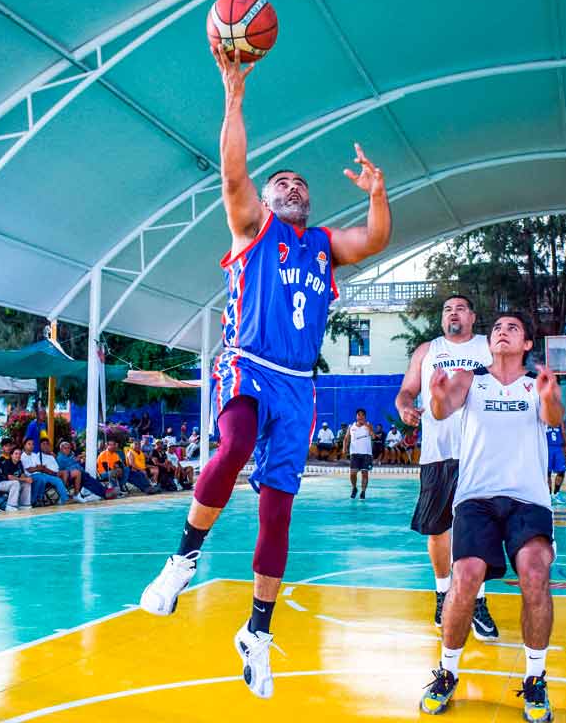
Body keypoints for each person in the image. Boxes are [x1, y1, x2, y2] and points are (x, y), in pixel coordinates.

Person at [138, 41, 392, 701]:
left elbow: (375, 240)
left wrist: (378, 194)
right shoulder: (253, 227)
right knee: (235, 444)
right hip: (249, 364)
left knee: (278, 510)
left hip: (299, 384)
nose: (292, 187)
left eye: (300, 184)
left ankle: (256, 631)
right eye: (282, 183)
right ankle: (182, 559)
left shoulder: (325, 247)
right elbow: (232, 173)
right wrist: (233, 94)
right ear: (268, 199)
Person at [419, 313, 562, 719]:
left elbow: (552, 417)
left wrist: (549, 395)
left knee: (535, 572)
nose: (502, 332)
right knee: (464, 577)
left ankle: (535, 680)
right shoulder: (469, 378)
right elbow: (443, 409)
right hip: (476, 498)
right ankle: (446, 673)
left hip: (528, 498)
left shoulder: (536, 385)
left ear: (527, 345)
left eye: (513, 328)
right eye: (497, 328)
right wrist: (435, 396)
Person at [395, 294, 496, 635]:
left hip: (480, 453)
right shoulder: (427, 351)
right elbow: (406, 391)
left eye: (460, 309)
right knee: (439, 529)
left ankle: (477, 601)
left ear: (472, 316)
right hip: (438, 453)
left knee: (479, 528)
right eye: (447, 309)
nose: (453, 313)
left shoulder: (489, 347)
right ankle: (443, 595)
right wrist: (405, 407)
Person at [20, 438, 70, 505]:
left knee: (57, 480)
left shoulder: (34, 455)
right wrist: (38, 468)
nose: (31, 446)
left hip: (40, 474)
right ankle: (35, 500)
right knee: (41, 479)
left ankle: (65, 499)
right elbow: (30, 470)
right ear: (24, 445)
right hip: (30, 476)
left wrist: (37, 468)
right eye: (29, 444)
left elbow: (39, 467)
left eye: (32, 444)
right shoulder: (23, 456)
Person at [0, 442, 32, 512]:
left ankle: (24, 505)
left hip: (10, 484)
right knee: (15, 483)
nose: (18, 456)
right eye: (16, 454)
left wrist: (27, 479)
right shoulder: (7, 463)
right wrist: (24, 479)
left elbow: (22, 474)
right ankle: (10, 506)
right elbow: (10, 477)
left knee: (26, 483)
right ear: (11, 455)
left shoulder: (19, 463)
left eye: (20, 454)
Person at [345, 409, 374, 499]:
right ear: (356, 416)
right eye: (359, 415)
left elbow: (373, 436)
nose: (360, 417)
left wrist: (368, 427)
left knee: (364, 473)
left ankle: (363, 492)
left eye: (362, 415)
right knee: (353, 473)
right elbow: (346, 438)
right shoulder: (351, 426)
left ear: (365, 416)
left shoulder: (368, 425)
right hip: (354, 453)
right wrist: (344, 448)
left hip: (366, 453)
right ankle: (354, 488)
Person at [546, 422, 566, 503]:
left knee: (561, 471)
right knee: (547, 473)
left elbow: (563, 432)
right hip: (547, 447)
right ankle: (548, 495)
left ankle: (556, 493)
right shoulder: (543, 418)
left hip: (558, 447)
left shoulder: (559, 420)